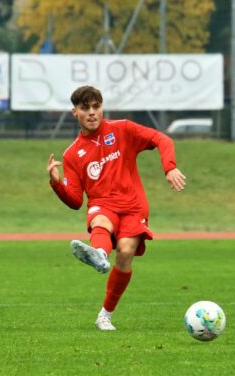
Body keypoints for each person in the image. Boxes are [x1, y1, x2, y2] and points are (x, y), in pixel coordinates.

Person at [47, 85, 186, 331]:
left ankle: (105, 315)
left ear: (102, 108)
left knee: (124, 251)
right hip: (102, 205)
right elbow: (75, 201)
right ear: (74, 112)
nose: (91, 113)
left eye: (96, 107)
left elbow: (160, 138)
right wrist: (57, 183)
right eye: (85, 108)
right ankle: (99, 254)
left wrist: (170, 167)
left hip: (133, 206)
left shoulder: (122, 129)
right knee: (101, 222)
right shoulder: (72, 154)